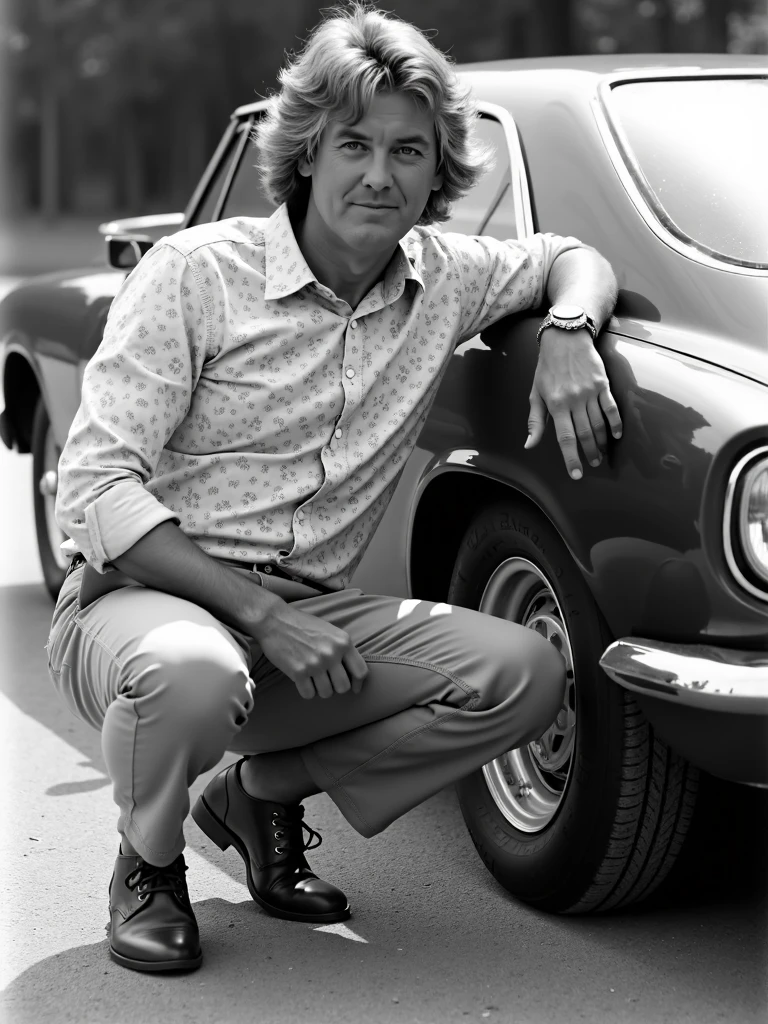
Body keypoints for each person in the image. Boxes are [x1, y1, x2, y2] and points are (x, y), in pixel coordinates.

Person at [47, 3, 621, 974]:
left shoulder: (444, 279)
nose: (380, 173)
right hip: (143, 610)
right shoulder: (195, 275)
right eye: (354, 143)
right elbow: (95, 490)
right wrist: (262, 616)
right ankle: (148, 866)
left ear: (438, 171)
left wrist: (568, 330)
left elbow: (572, 256)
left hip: (316, 624)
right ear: (307, 151)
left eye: (410, 151)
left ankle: (261, 792)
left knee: (521, 674)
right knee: (195, 671)